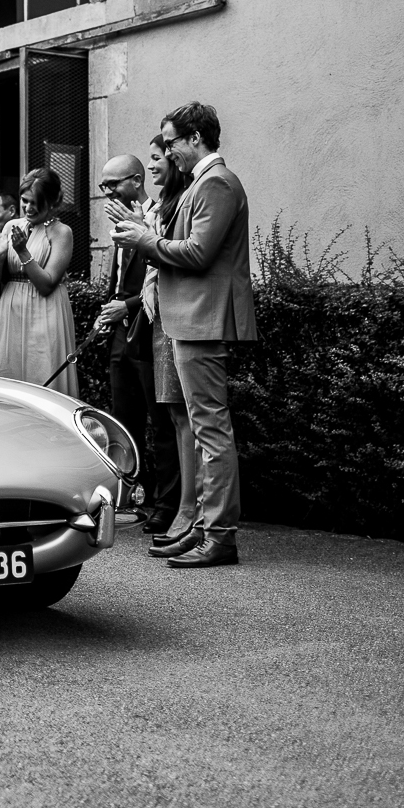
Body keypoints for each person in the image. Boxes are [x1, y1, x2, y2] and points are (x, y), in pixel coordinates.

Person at [112, 101, 258, 568]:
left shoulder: (216, 182)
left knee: (210, 431)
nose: (168, 152)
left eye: (171, 142)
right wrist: (146, 232)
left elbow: (197, 253)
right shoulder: (206, 182)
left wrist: (142, 240)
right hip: (192, 316)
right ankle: (203, 528)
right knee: (201, 430)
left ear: (195, 138)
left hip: (202, 317)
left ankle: (218, 536)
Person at [92, 154, 155, 518]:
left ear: (135, 181)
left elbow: (158, 279)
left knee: (157, 419)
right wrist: (107, 314)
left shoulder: (156, 218)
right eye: (102, 186)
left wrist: (126, 307)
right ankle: (132, 494)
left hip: (147, 329)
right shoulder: (117, 223)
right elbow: (118, 281)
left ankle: (163, 502)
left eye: (112, 184)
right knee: (123, 417)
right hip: (119, 332)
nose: (106, 192)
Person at [136, 137, 192, 544]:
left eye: (160, 156)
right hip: (160, 312)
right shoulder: (164, 204)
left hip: (176, 314)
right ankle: (187, 507)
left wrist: (143, 233)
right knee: (173, 415)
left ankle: (188, 509)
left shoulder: (185, 200)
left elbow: (176, 255)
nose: (158, 162)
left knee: (184, 416)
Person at [0, 167, 77, 396]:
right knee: (11, 375)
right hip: (12, 308)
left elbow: (47, 284)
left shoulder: (61, 232)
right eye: (25, 201)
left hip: (45, 311)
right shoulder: (10, 226)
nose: (28, 208)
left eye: (36, 202)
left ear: (53, 202)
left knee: (43, 372)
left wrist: (22, 252)